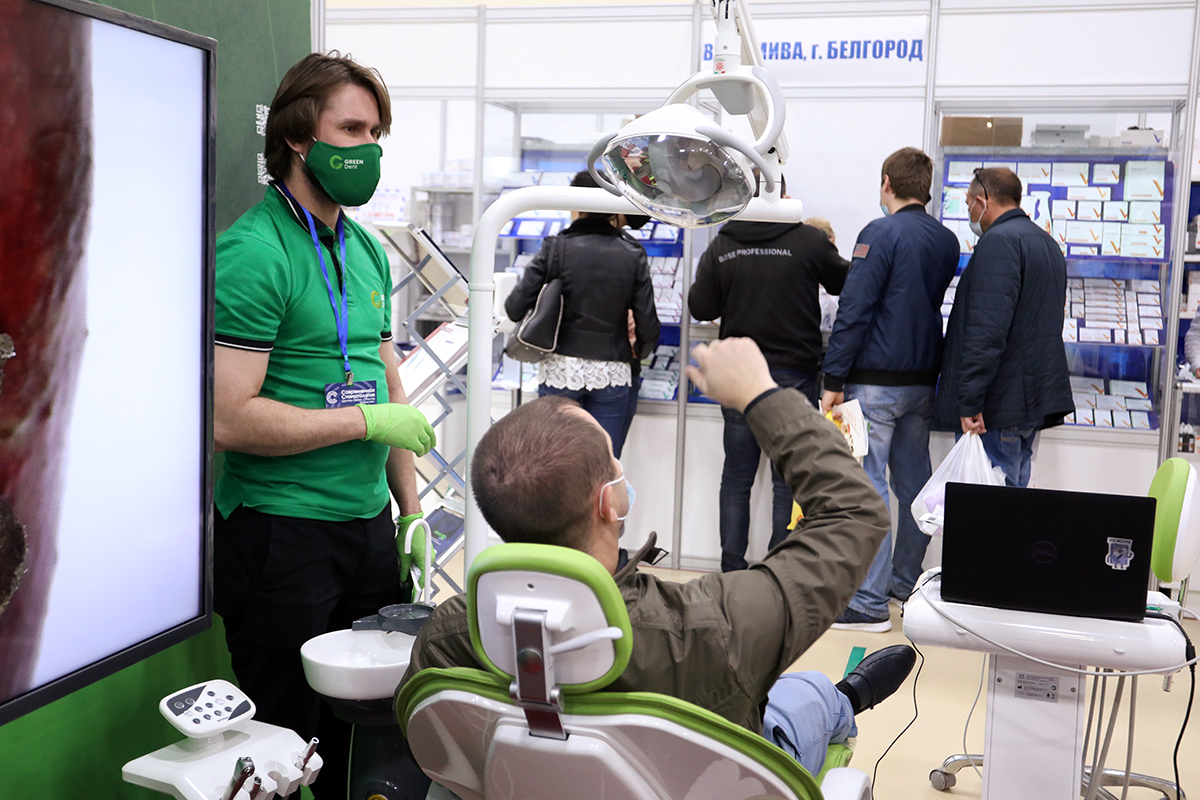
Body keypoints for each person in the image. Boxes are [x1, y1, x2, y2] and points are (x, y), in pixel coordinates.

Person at [400, 337, 916, 778]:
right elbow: (854, 513)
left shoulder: (446, 636)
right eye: (613, 458)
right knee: (805, 695)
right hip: (706, 780)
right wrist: (762, 395)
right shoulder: (713, 627)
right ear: (610, 501)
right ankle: (847, 698)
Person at [212, 52, 436, 797]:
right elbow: (230, 419)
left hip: (366, 532)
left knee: (365, 735)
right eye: (352, 129)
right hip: (281, 536)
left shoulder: (366, 250)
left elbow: (386, 383)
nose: (368, 148)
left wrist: (410, 510)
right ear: (298, 136)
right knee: (283, 745)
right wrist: (363, 420)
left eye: (376, 133)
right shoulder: (254, 253)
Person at [819, 148, 961, 633]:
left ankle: (867, 602)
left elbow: (854, 309)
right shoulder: (945, 240)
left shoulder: (879, 234)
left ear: (886, 183)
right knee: (915, 487)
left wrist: (832, 380)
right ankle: (903, 583)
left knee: (868, 487)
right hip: (921, 383)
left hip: (874, 384)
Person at [689, 176, 849, 572]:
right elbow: (845, 281)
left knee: (737, 476)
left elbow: (701, 306)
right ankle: (779, 570)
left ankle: (731, 569)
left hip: (739, 377)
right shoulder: (809, 241)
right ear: (784, 196)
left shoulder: (723, 244)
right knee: (786, 478)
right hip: (794, 375)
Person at [933, 167, 1073, 486]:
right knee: (1013, 504)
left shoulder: (998, 242)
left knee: (989, 508)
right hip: (1029, 404)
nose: (970, 213)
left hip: (997, 408)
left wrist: (970, 400)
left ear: (982, 201)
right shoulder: (1046, 243)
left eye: (969, 204)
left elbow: (987, 330)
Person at [505, 171, 659, 458]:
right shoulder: (633, 253)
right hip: (613, 371)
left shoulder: (555, 248)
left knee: (555, 464)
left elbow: (514, 307)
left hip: (560, 369)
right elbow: (649, 327)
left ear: (576, 206)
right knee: (604, 464)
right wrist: (639, 351)